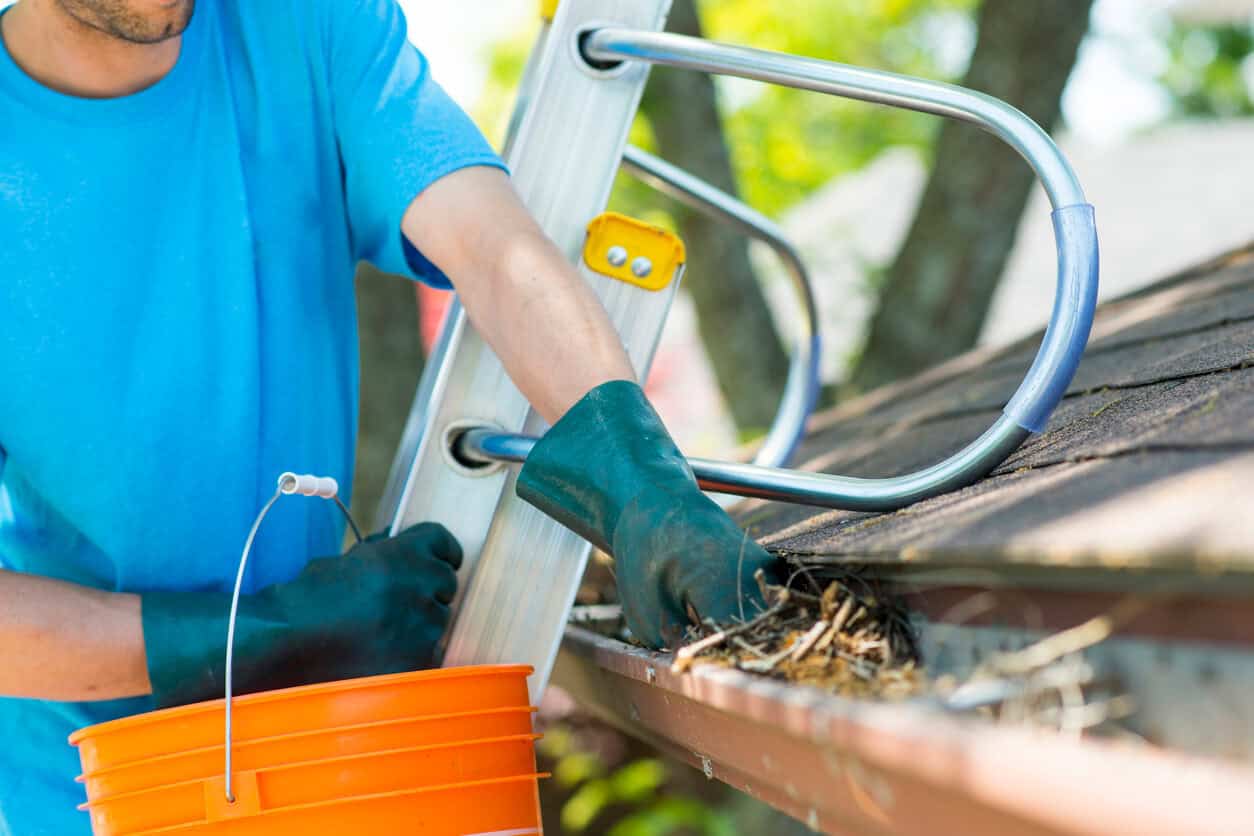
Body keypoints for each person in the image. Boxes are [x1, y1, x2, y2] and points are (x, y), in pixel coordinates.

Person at [0, 0, 778, 831]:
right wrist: (269, 630)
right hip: (86, 796)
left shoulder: (306, 27)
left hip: (325, 762)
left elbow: (491, 244)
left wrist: (634, 468)